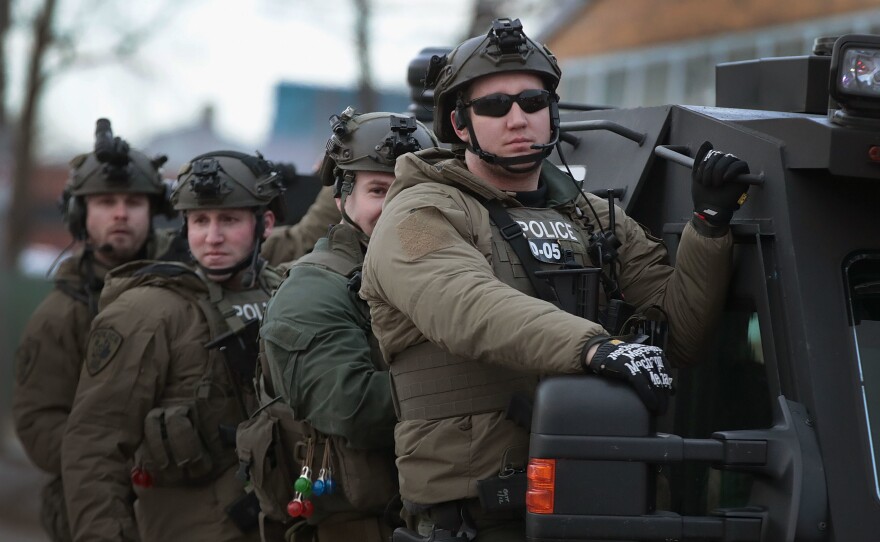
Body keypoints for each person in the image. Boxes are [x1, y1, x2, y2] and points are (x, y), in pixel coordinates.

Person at [359, 18, 753, 541]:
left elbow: (681, 334)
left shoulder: (595, 217)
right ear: (460, 124)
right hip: (483, 515)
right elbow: (464, 304)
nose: (518, 118)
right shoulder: (419, 213)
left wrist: (709, 226)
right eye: (495, 106)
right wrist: (596, 347)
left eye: (533, 102)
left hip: (603, 493)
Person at [62, 150, 287, 542]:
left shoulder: (292, 294)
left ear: (264, 223)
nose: (211, 237)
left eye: (229, 220)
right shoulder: (146, 312)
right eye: (200, 221)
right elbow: (94, 446)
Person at [236, 108, 437, 542]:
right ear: (342, 199)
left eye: (412, 191)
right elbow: (354, 406)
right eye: (379, 191)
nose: (396, 208)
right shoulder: (312, 290)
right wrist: (469, 378)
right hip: (357, 527)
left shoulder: (437, 267)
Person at [12, 119, 176, 542]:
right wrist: (114, 450)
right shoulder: (60, 316)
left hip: (182, 501)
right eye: (105, 202)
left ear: (154, 211)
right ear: (80, 214)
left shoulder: (184, 288)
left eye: (133, 201)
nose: (120, 213)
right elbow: (36, 422)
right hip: (93, 505)